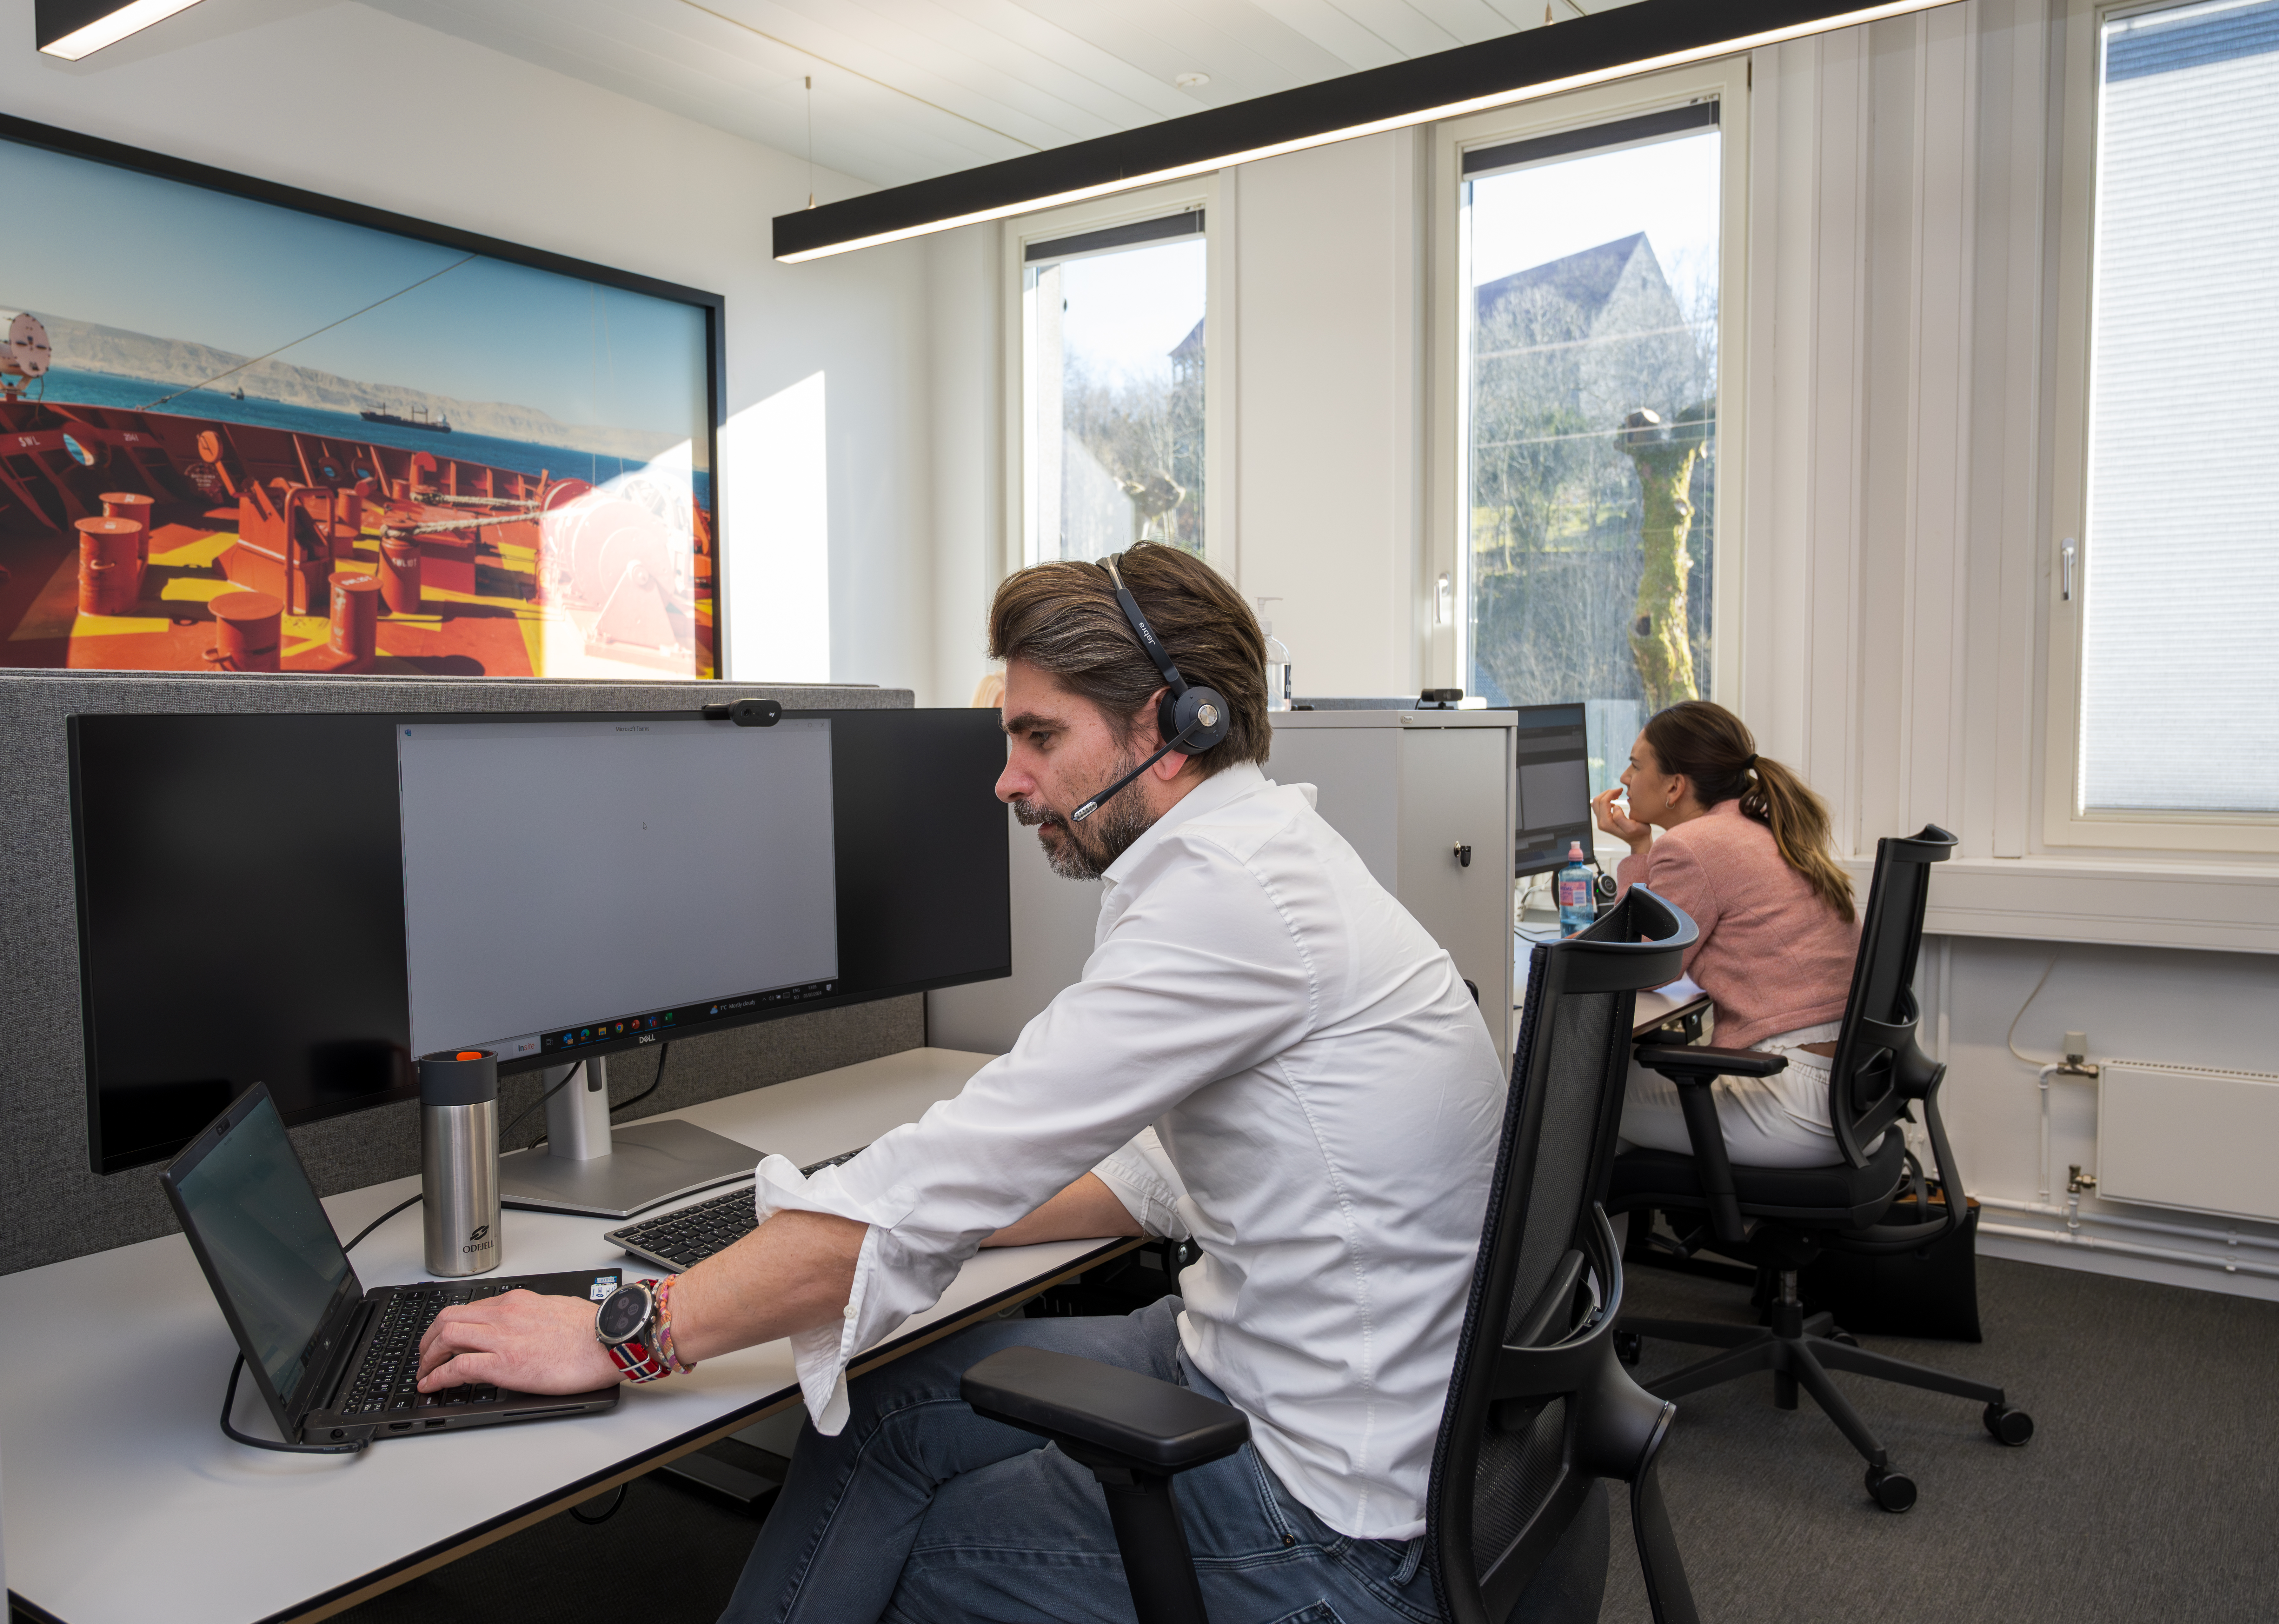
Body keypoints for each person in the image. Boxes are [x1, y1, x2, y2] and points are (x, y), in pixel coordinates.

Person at [412, 542, 1516, 1623]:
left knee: (930, 1555)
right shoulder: (1260, 855)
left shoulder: (1230, 900)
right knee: (883, 1402)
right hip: (1316, 1390)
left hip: (1332, 1523)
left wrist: (626, 1329)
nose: (1006, 779)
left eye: (1039, 736)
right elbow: (1163, 1175)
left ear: (1177, 728)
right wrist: (932, 1223)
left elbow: (946, 1173)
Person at [1591, 699, 1864, 1168]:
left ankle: (1563, 1242)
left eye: (1636, 765)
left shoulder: (1693, 845)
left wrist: (1640, 852)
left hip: (1790, 1097)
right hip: (1849, 1094)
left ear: (1675, 786)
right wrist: (1641, 844)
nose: (1624, 778)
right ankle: (1623, 1231)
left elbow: (1641, 969)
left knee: (1571, 1090)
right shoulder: (1755, 824)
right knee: (1610, 1083)